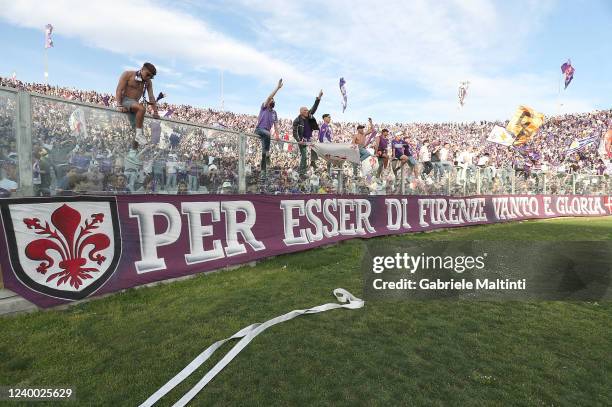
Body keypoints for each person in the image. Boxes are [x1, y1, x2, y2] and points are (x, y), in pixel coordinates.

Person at [115, 62, 160, 144]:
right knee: (142, 109)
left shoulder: (148, 82)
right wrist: (119, 105)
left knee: (138, 131)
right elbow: (119, 89)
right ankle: (139, 135)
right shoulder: (128, 74)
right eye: (148, 74)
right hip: (125, 101)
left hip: (134, 105)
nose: (149, 77)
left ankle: (132, 154)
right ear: (142, 69)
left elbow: (151, 97)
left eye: (151, 77)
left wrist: (155, 112)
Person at [254, 79, 282, 178]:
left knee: (263, 153)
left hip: (266, 133)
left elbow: (276, 125)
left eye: (273, 100)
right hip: (259, 129)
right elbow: (270, 96)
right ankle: (268, 153)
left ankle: (263, 171)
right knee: (268, 135)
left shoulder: (274, 113)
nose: (272, 100)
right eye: (271, 100)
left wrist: (278, 135)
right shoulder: (264, 107)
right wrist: (277, 88)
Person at [293, 89, 323, 175]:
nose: (307, 111)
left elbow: (314, 107)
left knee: (314, 147)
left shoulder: (308, 115)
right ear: (302, 112)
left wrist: (319, 97)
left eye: (307, 110)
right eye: (305, 110)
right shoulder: (297, 120)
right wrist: (299, 140)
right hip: (302, 139)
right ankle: (302, 171)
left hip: (309, 138)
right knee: (304, 155)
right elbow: (294, 132)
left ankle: (313, 162)